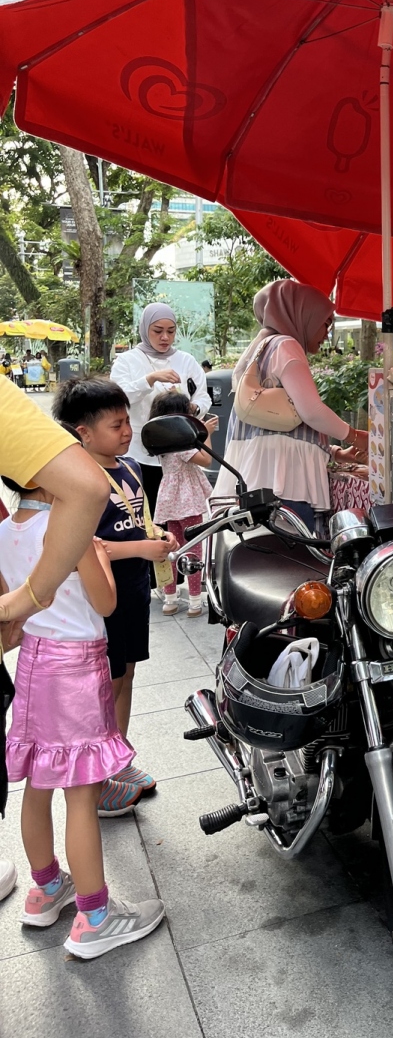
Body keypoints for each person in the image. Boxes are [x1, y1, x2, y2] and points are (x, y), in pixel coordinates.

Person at [0, 464, 166, 957]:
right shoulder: (70, 531)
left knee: (38, 784)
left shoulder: (5, 532)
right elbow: (106, 603)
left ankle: (46, 889)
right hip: (77, 668)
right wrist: (94, 554)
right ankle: (95, 917)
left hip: (33, 661)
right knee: (80, 792)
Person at [54, 377, 176, 815]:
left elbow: (138, 521)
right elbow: (85, 547)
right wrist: (142, 548)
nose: (127, 431)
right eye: (116, 425)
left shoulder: (130, 467)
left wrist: (156, 537)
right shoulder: (80, 480)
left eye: (127, 421)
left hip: (134, 587)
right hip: (100, 595)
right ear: (83, 432)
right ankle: (97, 777)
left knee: (126, 675)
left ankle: (117, 757)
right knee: (107, 681)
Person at [214, 280, 367, 536]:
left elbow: (278, 427)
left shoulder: (261, 348)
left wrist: (335, 452)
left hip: (260, 481)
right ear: (303, 315)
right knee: (292, 556)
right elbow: (312, 411)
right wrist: (355, 436)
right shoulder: (286, 345)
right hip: (284, 484)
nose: (327, 334)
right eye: (325, 323)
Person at [110, 303, 211, 518]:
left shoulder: (186, 360)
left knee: (178, 516)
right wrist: (150, 379)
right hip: (139, 451)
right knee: (142, 511)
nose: (165, 337)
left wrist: (194, 407)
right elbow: (118, 399)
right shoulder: (127, 361)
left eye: (171, 331)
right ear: (145, 329)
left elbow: (203, 397)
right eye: (157, 331)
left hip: (180, 454)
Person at [149, 393, 215, 617]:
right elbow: (207, 460)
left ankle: (170, 600)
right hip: (187, 501)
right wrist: (207, 434)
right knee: (193, 550)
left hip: (169, 500)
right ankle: (195, 601)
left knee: (173, 549)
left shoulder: (162, 443)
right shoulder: (181, 445)